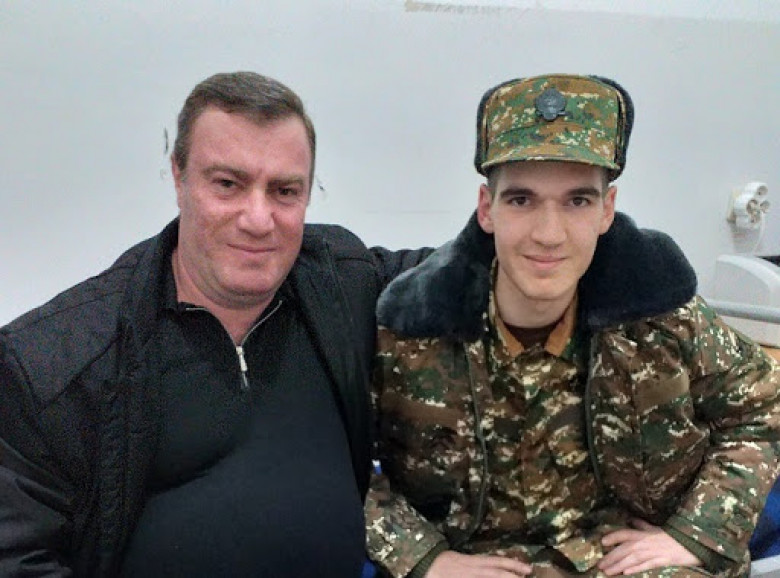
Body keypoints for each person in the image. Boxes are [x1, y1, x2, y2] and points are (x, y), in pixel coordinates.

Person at [0, 71, 430, 577]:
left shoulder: (344, 284)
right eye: (228, 184)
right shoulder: (52, 367)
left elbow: (483, 271)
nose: (258, 219)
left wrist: (429, 558)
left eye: (284, 191)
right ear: (178, 176)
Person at [365, 73, 780, 578]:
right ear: (486, 209)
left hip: (627, 561)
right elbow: (331, 459)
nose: (549, 234)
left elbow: (764, 407)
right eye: (521, 200)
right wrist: (424, 557)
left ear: (607, 211)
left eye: (577, 201)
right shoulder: (409, 334)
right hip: (476, 563)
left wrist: (698, 532)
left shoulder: (661, 318)